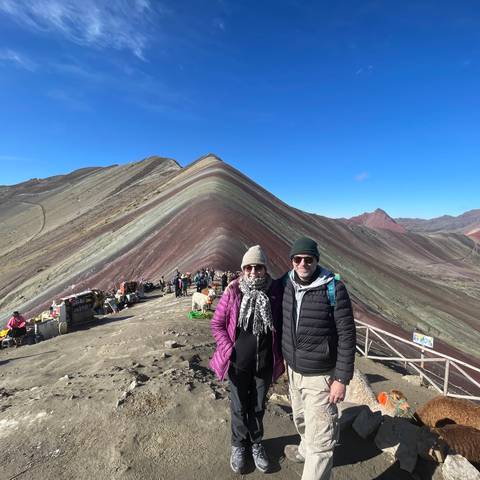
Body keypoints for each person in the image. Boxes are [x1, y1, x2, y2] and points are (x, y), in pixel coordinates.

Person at [282, 237, 356, 480]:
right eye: (298, 259)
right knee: (301, 419)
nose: (303, 263)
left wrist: (341, 379)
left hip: (321, 377)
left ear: (316, 260)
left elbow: (347, 334)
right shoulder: (287, 283)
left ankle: (313, 458)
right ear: (292, 261)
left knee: (322, 441)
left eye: (308, 259)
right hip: (294, 370)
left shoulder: (334, 288)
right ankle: (305, 449)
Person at [210, 245, 284, 474]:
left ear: (264, 269)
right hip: (237, 363)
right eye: (249, 267)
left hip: (264, 364)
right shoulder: (233, 291)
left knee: (259, 406)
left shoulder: (274, 292)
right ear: (243, 269)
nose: (253, 271)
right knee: (239, 407)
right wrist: (228, 348)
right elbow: (217, 324)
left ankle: (256, 444)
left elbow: (281, 325)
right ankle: (238, 445)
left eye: (258, 267)